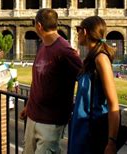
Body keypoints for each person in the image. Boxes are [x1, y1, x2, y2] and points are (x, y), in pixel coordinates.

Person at [23, 9, 82, 154]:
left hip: (52, 121)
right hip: (33, 116)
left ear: (39, 26)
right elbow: (37, 80)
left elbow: (85, 79)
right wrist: (29, 105)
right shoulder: (42, 46)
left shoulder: (65, 51)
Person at [68, 16, 120, 154]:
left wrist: (111, 142)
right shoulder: (91, 57)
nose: (76, 33)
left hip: (92, 130)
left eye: (78, 29)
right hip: (82, 128)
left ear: (85, 32)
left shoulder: (101, 59)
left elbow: (113, 103)